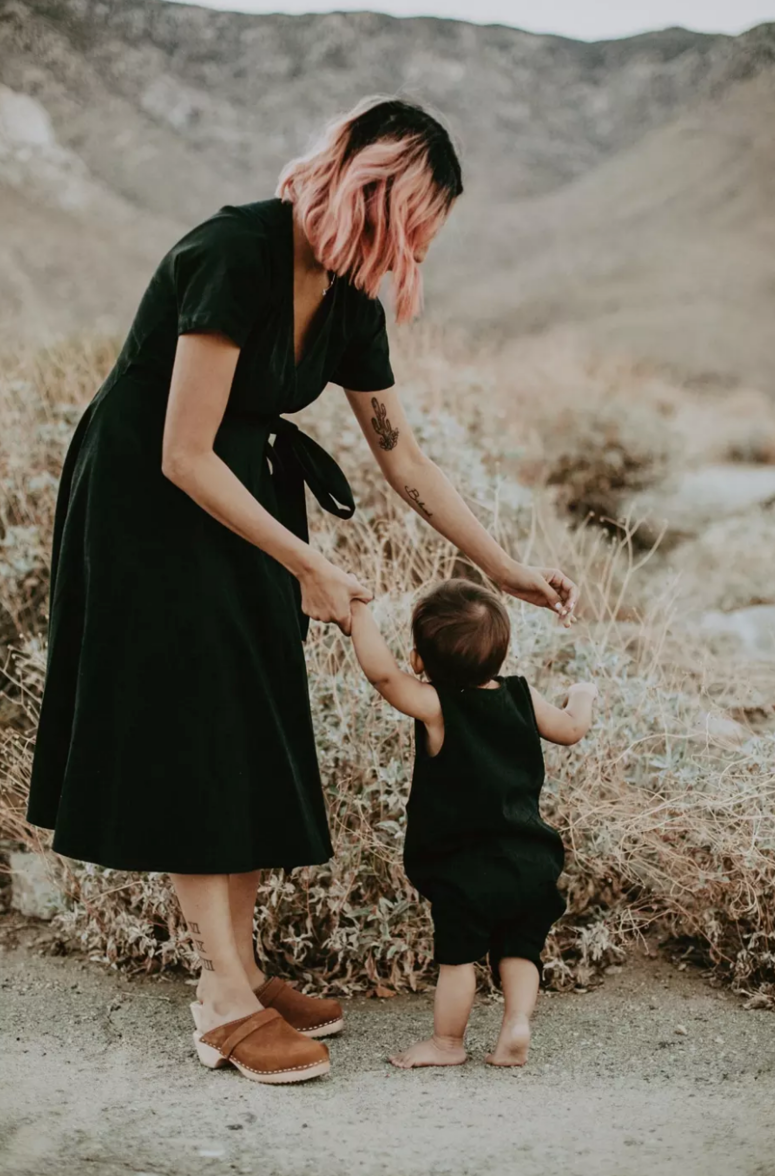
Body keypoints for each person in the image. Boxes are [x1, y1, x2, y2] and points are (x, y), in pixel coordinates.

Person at [26, 96, 578, 1085]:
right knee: (196, 736)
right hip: (150, 502)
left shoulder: (353, 298)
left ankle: (236, 972)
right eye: (416, 223)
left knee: (244, 728)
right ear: (376, 196)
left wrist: (503, 567)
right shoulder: (236, 253)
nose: (417, 248)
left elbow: (400, 457)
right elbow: (182, 452)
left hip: (247, 498)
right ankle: (226, 1004)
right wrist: (309, 564)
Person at [349, 580, 597, 1069]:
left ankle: (447, 1044)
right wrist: (582, 694)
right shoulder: (522, 696)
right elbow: (571, 729)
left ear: (420, 660)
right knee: (521, 949)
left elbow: (382, 675)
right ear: (501, 654)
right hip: (530, 859)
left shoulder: (439, 706)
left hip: (466, 872)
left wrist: (357, 609)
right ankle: (516, 1025)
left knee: (458, 960)